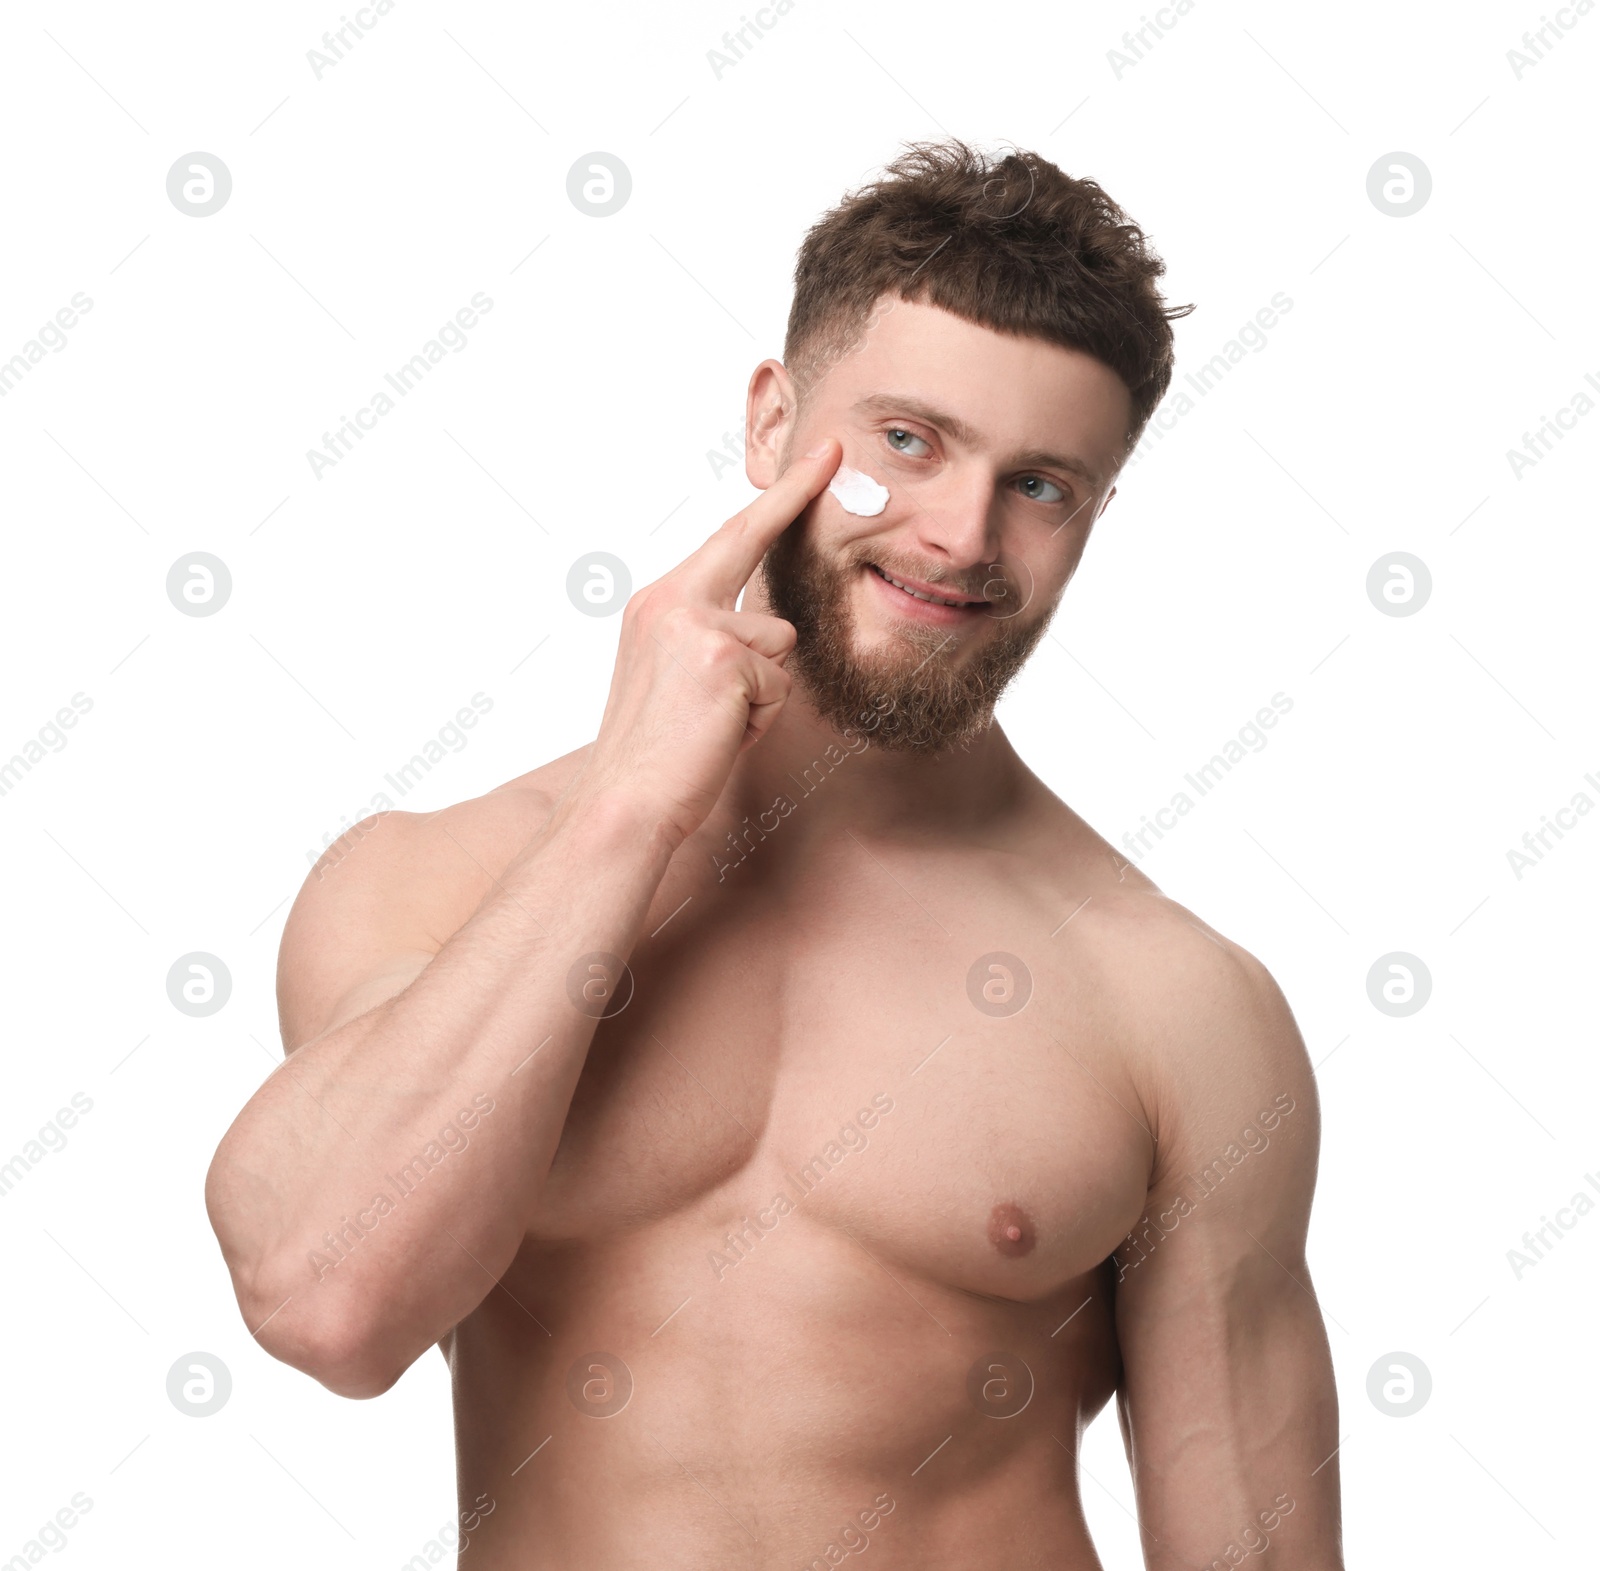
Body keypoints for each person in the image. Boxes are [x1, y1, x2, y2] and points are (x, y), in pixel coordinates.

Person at [206, 139, 1343, 1569]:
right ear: (771, 420)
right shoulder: (426, 885)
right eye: (910, 441)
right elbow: (328, 1300)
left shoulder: (1174, 1004)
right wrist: (628, 813)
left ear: (1094, 515)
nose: (960, 536)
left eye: (1042, 484)